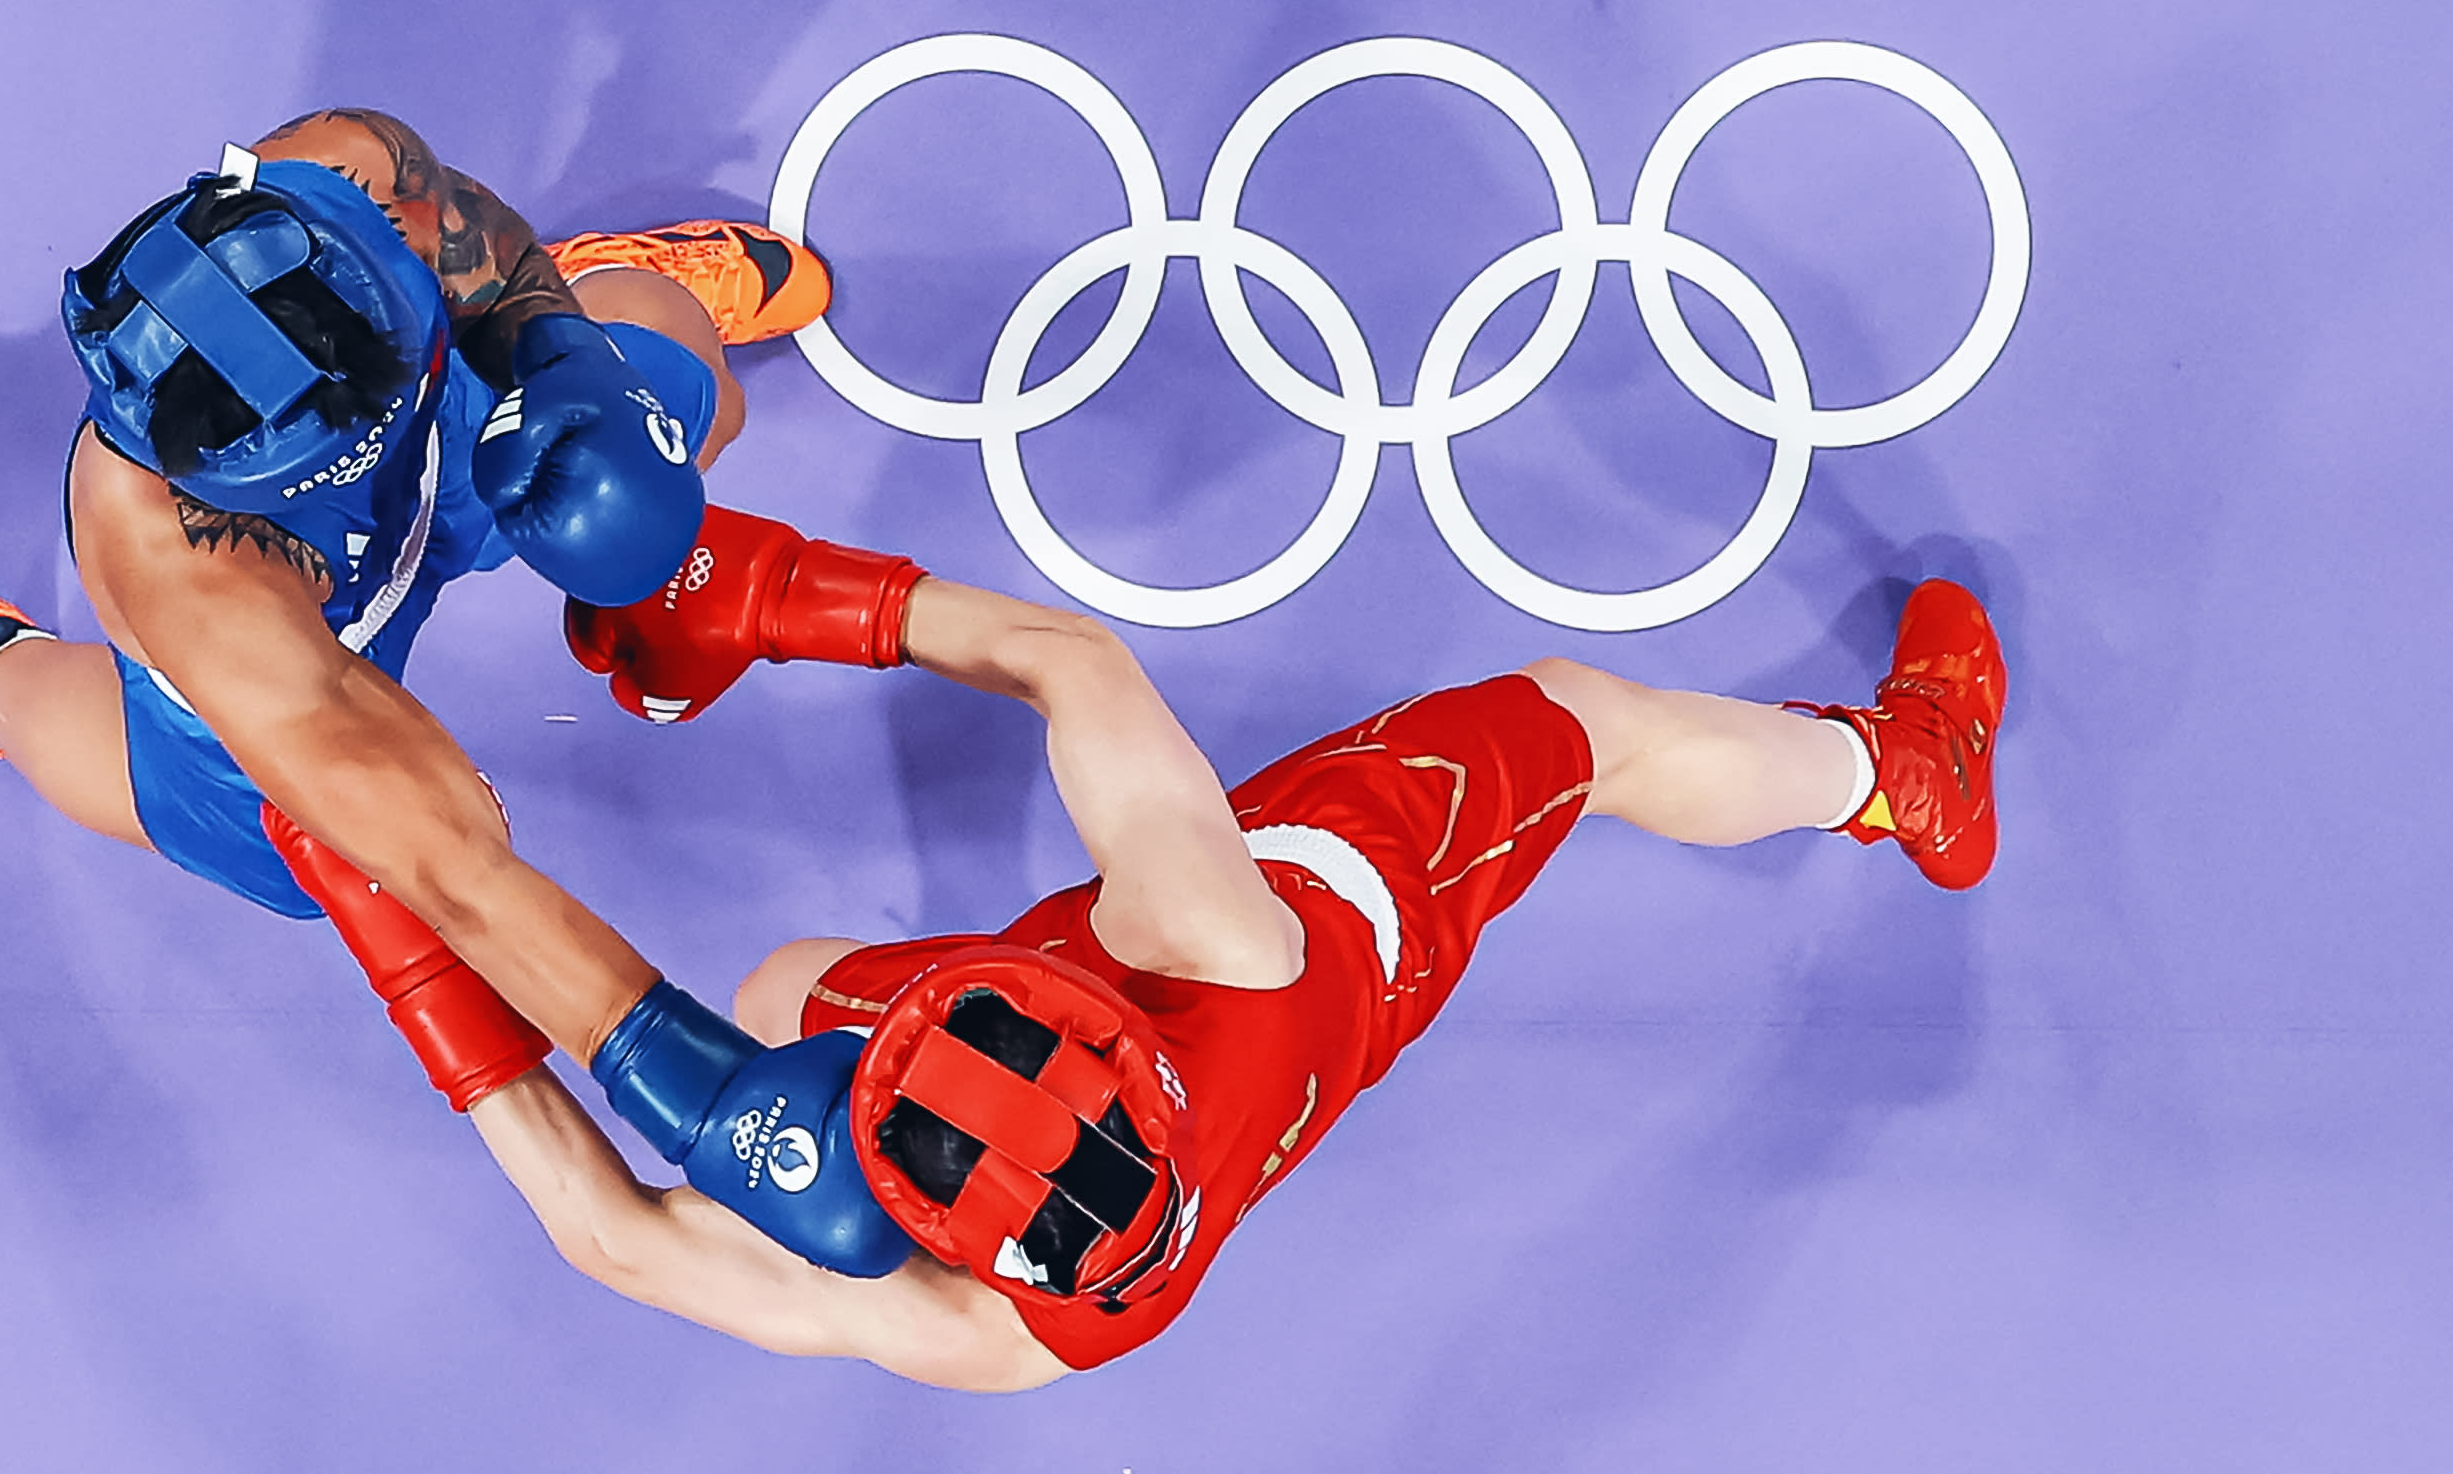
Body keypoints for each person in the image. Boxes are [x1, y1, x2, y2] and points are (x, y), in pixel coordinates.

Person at [273, 503, 2006, 1390]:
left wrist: (404, 953)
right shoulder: (1206, 934)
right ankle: (1902, 771)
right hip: (1361, 901)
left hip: (1116, 1055)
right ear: (1090, 1021)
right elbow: (1072, 663)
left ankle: (1892, 772)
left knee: (780, 991)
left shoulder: (1002, 1335)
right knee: (1586, 721)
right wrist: (763, 593)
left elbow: (614, 1241)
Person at [0, 107, 844, 1066]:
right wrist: (689, 1080)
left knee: (683, 401)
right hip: (311, 615)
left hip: (442, 434)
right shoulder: (198, 591)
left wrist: (565, 353)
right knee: (294, 854)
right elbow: (459, 876)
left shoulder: (337, 177)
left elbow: (477, 241)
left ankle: (596, 287)